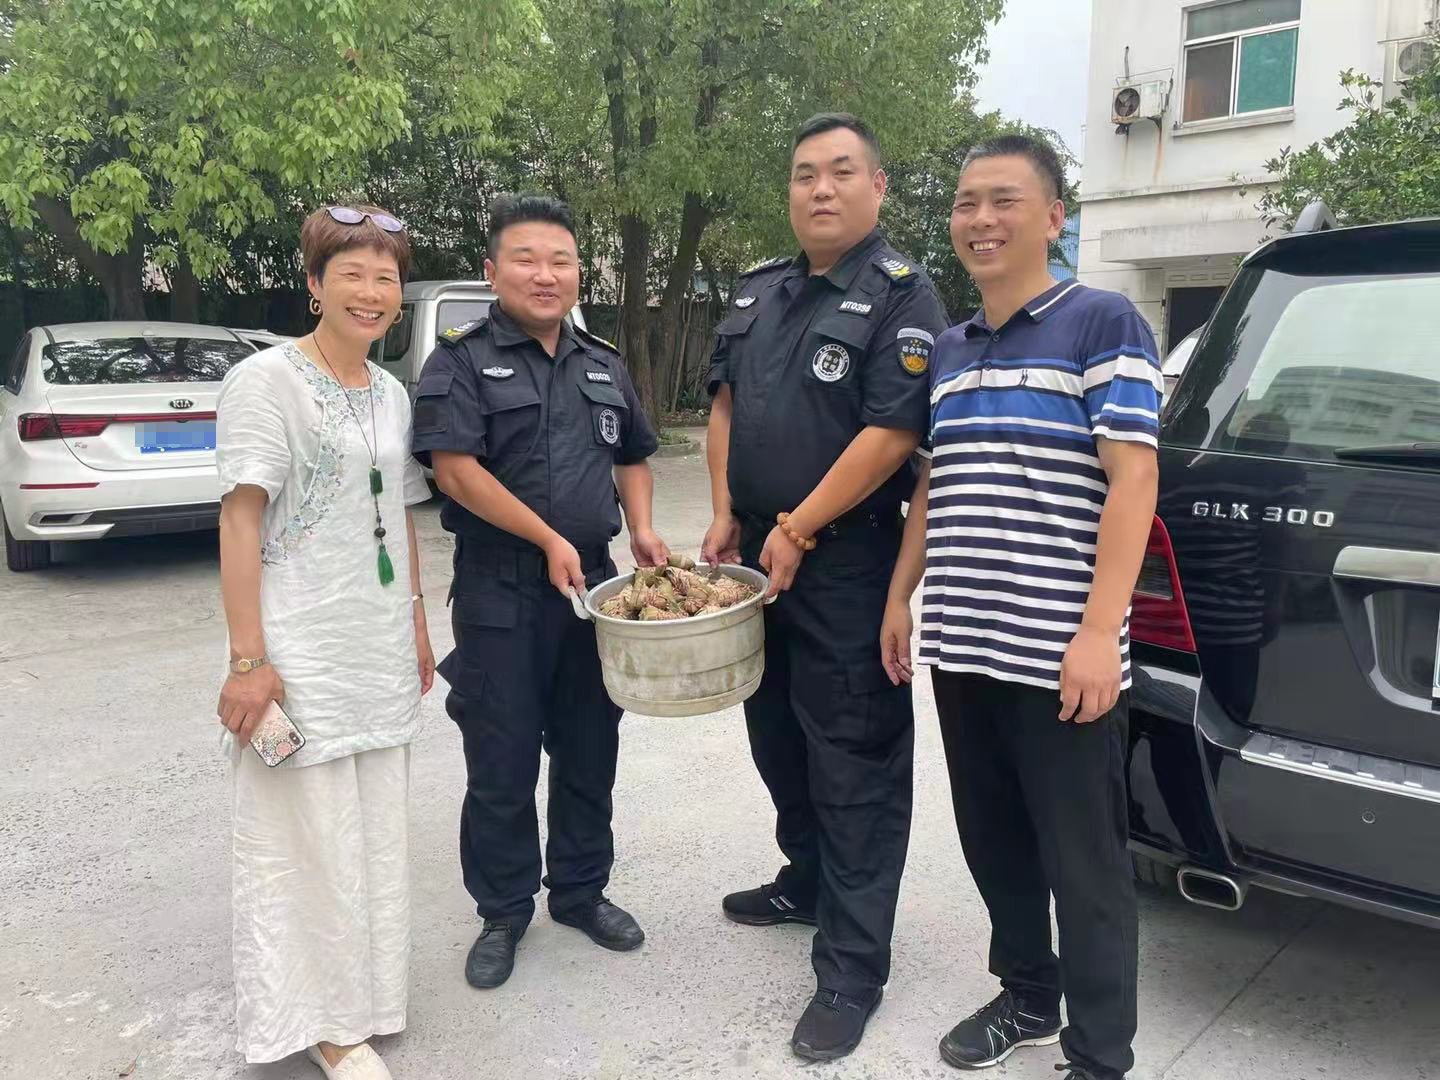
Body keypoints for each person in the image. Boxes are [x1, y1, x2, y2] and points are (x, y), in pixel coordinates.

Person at [880, 134, 1160, 1080]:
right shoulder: (950, 352)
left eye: (1004, 200)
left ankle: (1100, 1054)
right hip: (966, 646)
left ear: (1053, 218)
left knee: (1085, 866)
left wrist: (1098, 634)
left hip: (1060, 655)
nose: (981, 220)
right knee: (994, 843)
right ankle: (1030, 996)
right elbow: (933, 487)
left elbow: (1134, 481)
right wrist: (901, 596)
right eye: (967, 202)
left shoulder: (1101, 321)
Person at [701, 113, 949, 1061]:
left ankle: (851, 969)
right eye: (805, 173)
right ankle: (805, 881)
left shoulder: (902, 295)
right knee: (777, 737)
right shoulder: (760, 290)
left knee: (854, 764)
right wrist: (726, 512)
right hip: (759, 558)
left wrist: (801, 526)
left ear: (877, 186)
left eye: (842, 172)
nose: (821, 189)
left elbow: (893, 433)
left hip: (844, 562)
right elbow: (725, 405)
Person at [410, 193, 667, 991]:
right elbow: (456, 470)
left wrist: (642, 528)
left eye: (561, 260)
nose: (545, 274)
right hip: (500, 588)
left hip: (594, 587)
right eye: (526, 259)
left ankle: (582, 892)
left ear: (578, 272)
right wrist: (546, 537)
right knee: (503, 756)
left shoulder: (602, 363)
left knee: (591, 747)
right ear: (493, 272)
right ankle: (503, 910)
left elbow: (632, 455)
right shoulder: (459, 361)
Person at [215, 204, 435, 1080]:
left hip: (373, 644)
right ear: (314, 284)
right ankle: (320, 1022)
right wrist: (248, 659)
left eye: (386, 277)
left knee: (371, 827)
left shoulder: (392, 392)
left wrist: (415, 620)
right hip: (298, 641)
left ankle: (367, 998)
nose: (371, 292)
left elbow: (400, 514)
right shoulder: (265, 381)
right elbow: (240, 520)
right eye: (352, 274)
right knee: (305, 834)